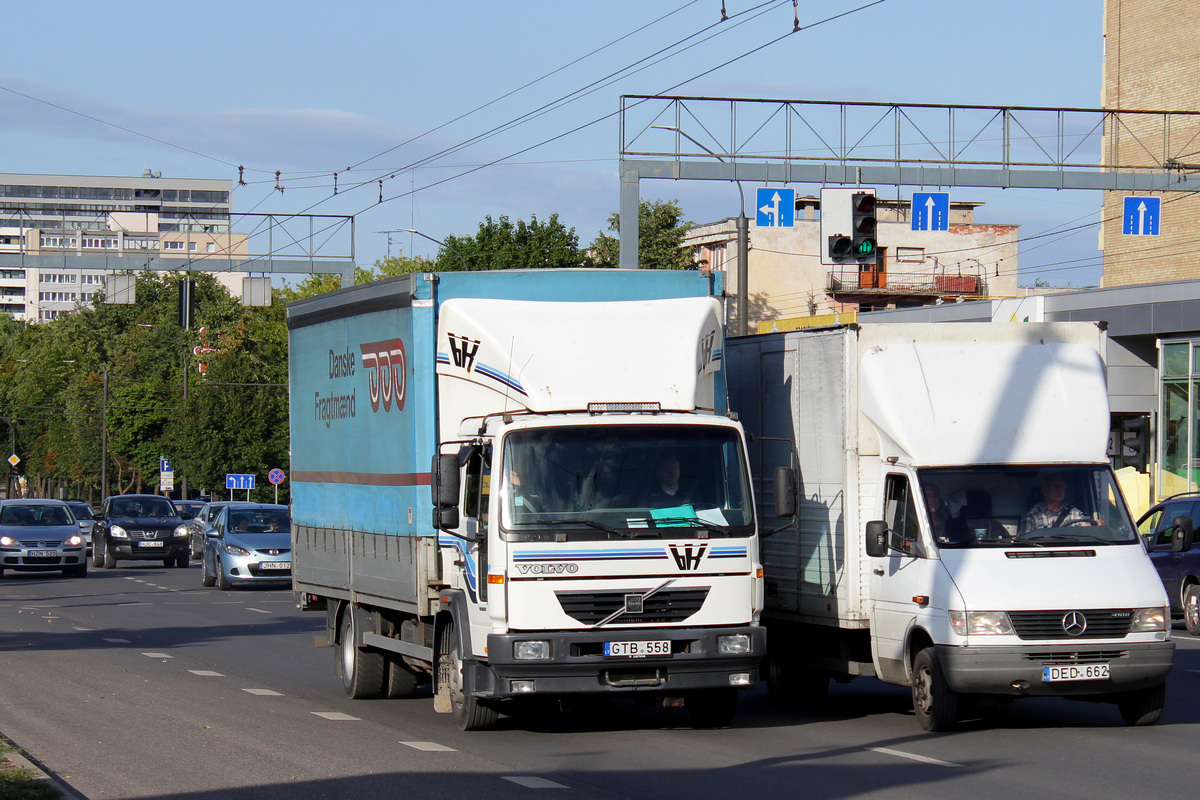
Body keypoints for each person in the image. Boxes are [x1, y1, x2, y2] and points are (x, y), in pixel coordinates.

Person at [1019, 472, 1090, 534]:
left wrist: (1096, 526)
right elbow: (1025, 539)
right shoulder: (1033, 514)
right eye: (1055, 486)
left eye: (1062, 486)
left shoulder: (1073, 512)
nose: (1060, 490)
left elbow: (1087, 529)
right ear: (1045, 491)